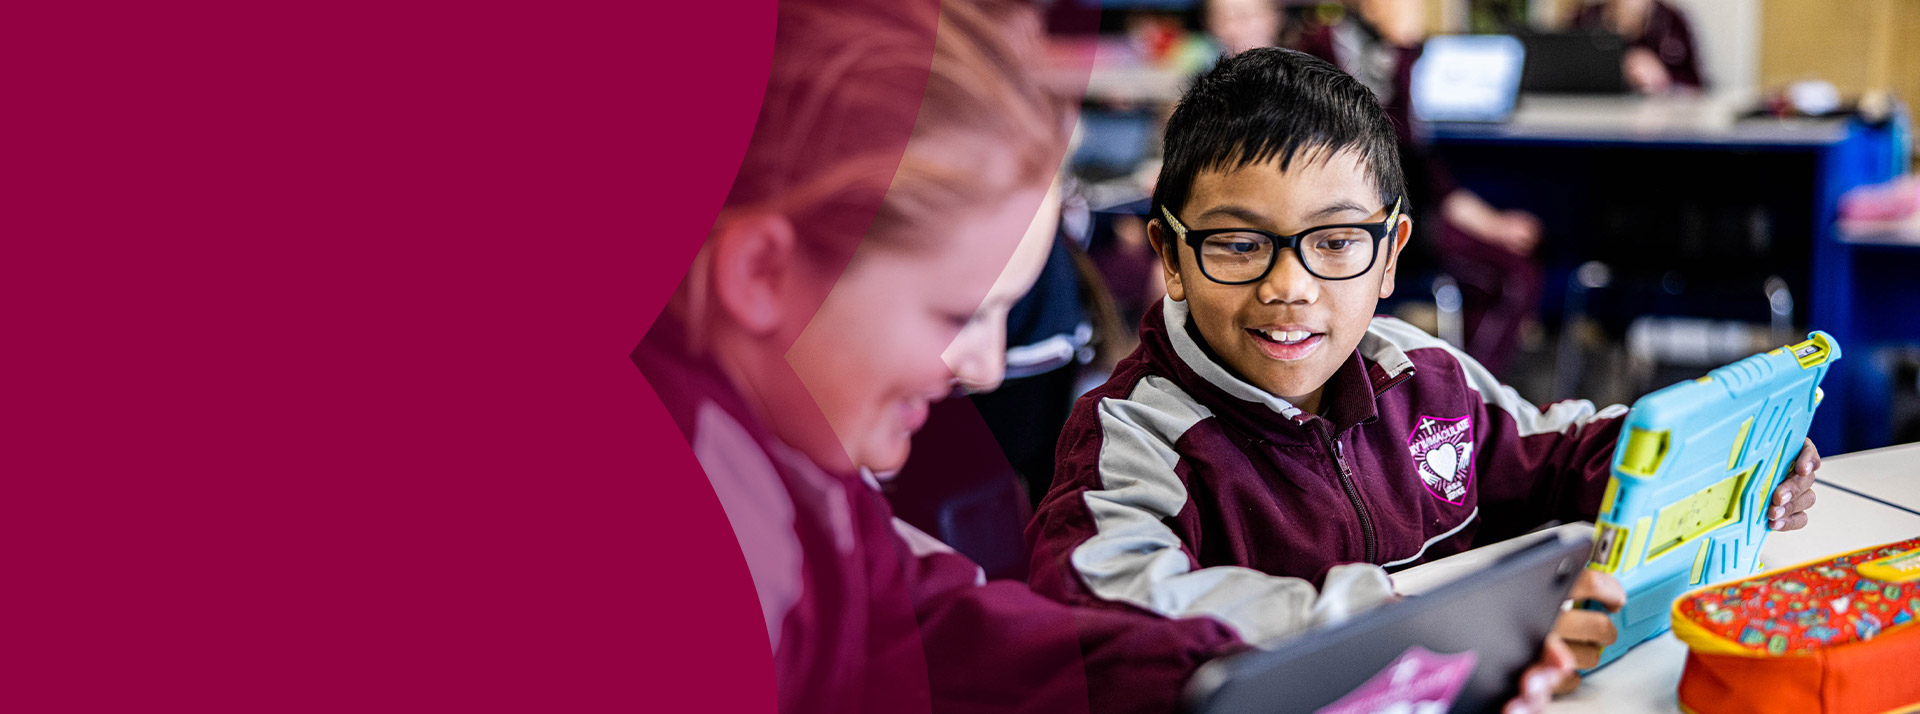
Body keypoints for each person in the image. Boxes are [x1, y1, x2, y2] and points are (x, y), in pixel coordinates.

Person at [640, 1, 1584, 711]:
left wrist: (1411, 654)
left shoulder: (804, 501)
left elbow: (972, 631)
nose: (982, 369)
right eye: (954, 313)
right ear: (763, 274)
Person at [1026, 47, 1824, 690]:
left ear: (1388, 258)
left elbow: (1553, 456)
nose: (1289, 286)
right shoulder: (1131, 435)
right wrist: (1419, 618)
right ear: (1170, 256)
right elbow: (1102, 609)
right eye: (1237, 243)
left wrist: (1722, 462)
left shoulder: (1425, 373)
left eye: (1336, 242)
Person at [1295, 0, 1544, 376]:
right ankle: (1462, 390)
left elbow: (1421, 166)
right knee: (1514, 278)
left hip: (1411, 211)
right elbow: (1378, 157)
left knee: (1519, 266)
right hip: (1366, 220)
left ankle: (1455, 388)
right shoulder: (1323, 51)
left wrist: (1489, 221)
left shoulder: (1392, 55)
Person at [1569, 0, 1704, 94]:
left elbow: (1697, 86)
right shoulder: (1585, 20)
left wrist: (1665, 80)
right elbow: (1565, 81)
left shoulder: (1673, 22)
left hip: (1661, 118)